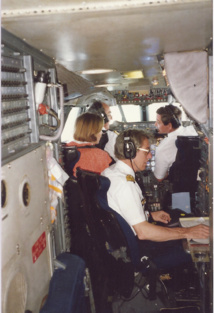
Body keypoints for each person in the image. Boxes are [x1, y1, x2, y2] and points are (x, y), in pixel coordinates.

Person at [102, 129, 209, 270]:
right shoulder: (124, 184)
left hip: (126, 245)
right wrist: (188, 232)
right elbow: (143, 232)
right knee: (199, 249)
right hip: (139, 252)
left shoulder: (110, 172)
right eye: (146, 151)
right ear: (131, 152)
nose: (150, 156)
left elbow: (121, 215)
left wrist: (149, 214)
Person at [154, 104, 198, 182]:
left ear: (169, 126)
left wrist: (167, 173)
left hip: (180, 187)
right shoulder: (193, 130)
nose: (155, 124)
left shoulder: (162, 148)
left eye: (158, 122)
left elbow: (159, 178)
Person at [66, 112, 112, 177]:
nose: (102, 133)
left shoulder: (66, 148)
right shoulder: (102, 155)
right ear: (94, 131)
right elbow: (108, 181)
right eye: (100, 130)